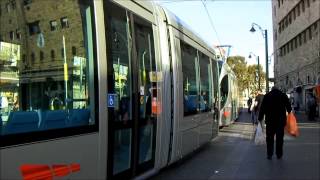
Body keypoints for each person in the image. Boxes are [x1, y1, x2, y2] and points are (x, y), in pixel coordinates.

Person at [258, 86, 292, 160]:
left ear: (271, 89)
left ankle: (269, 154)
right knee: (279, 138)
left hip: (270, 121)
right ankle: (279, 154)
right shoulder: (283, 95)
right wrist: (289, 112)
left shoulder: (267, 96)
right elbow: (289, 107)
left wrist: (260, 118)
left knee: (269, 138)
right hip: (280, 121)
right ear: (278, 89)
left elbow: (262, 108)